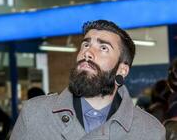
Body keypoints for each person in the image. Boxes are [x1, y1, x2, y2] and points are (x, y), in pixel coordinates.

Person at [10, 20, 165, 140]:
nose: (88, 52)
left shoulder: (149, 131)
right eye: (86, 44)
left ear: (122, 70)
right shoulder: (35, 115)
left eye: (103, 48)